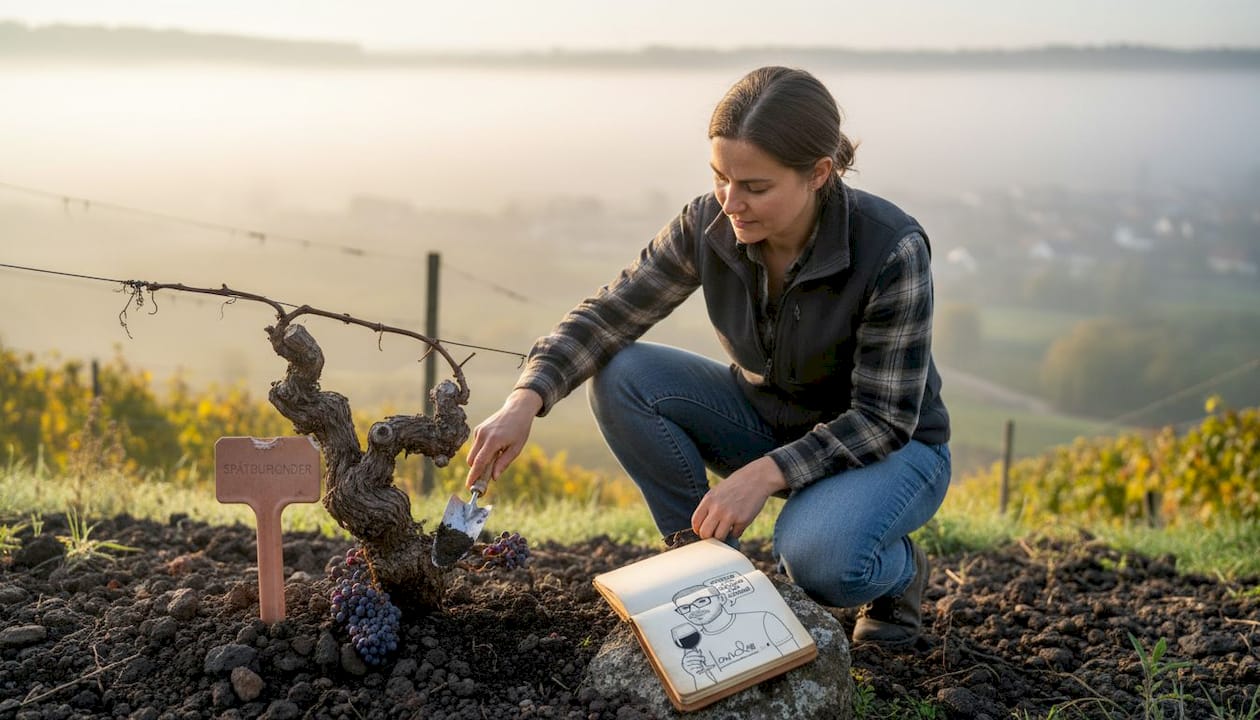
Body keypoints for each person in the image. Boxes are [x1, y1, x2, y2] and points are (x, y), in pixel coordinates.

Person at [465, 66, 951, 648]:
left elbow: (883, 418)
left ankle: (898, 574)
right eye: (720, 177)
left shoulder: (890, 249)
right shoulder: (709, 224)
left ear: (819, 173)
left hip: (892, 449)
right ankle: (705, 574)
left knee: (819, 560)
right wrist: (526, 398)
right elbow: (608, 315)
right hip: (771, 419)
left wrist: (764, 474)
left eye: (755, 187)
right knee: (624, 374)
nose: (731, 202)